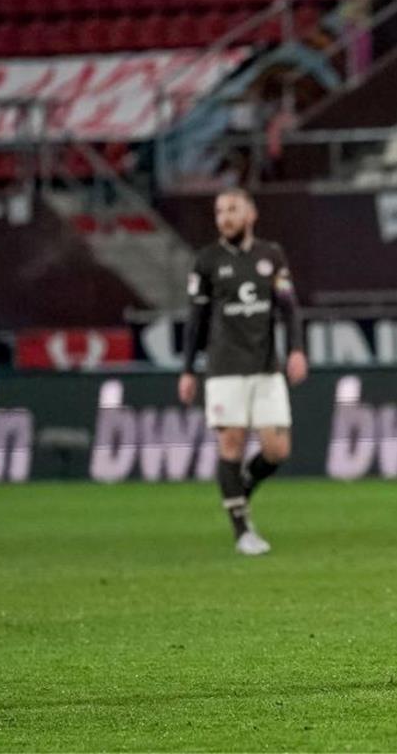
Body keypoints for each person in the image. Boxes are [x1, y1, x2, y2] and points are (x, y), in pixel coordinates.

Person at [178, 188, 307, 555]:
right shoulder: (207, 261)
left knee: (277, 449)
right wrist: (188, 369)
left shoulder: (271, 255)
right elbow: (196, 319)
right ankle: (241, 531)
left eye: (232, 209)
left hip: (266, 366)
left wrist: (296, 349)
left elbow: (289, 308)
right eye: (219, 211)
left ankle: (239, 491)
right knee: (231, 441)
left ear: (250, 214)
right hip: (224, 367)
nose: (225, 217)